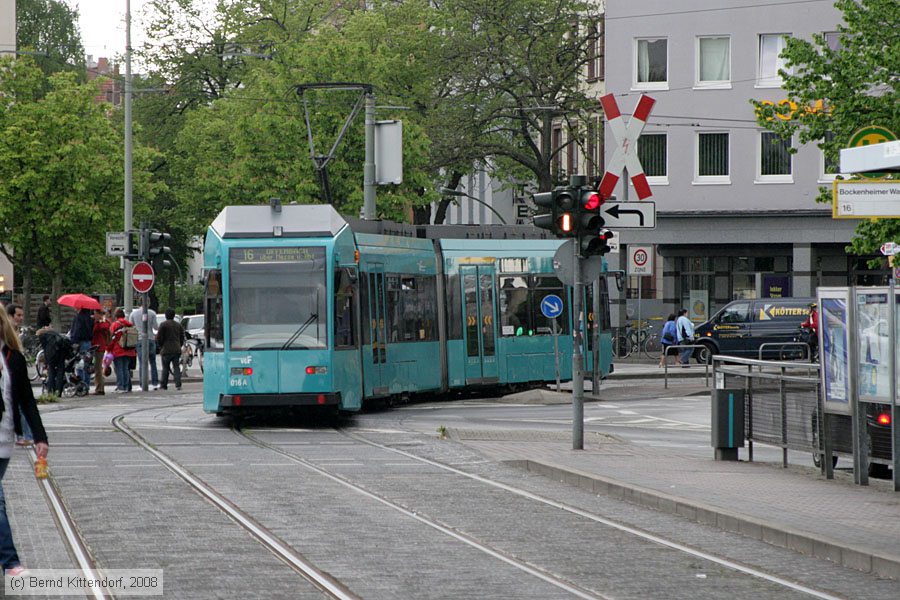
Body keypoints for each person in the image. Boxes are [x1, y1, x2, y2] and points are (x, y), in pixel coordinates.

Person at [0, 308, 50, 576]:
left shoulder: (13, 358)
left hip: (4, 438)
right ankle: (10, 562)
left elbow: (27, 401)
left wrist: (40, 437)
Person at [129, 307, 159, 390]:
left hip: (139, 339)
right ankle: (155, 383)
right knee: (153, 362)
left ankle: (142, 384)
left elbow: (131, 326)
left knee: (142, 362)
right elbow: (155, 327)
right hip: (151, 339)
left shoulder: (133, 314)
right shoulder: (152, 313)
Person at [155, 309, 185, 391]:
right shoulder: (178, 325)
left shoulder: (163, 325)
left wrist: (160, 346)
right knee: (176, 367)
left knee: (165, 367)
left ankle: (164, 384)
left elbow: (159, 337)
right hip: (176, 349)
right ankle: (178, 384)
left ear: (166, 315)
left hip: (166, 349)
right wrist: (179, 345)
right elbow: (182, 337)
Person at [36, 326, 70, 396]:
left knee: (51, 373)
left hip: (50, 357)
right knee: (60, 373)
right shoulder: (55, 334)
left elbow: (45, 349)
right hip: (60, 355)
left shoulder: (43, 337)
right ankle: (58, 392)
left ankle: (50, 391)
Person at [109, 309, 137, 393]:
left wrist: (109, 349)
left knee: (119, 369)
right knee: (125, 369)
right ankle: (126, 386)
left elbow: (112, 338)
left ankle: (120, 386)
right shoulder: (129, 325)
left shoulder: (114, 325)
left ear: (116, 316)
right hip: (129, 350)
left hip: (118, 350)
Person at [68, 308, 93, 387]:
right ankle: (87, 385)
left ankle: (81, 385)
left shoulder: (78, 317)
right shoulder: (89, 318)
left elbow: (77, 331)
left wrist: (73, 341)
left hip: (81, 343)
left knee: (79, 364)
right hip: (88, 342)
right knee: (87, 364)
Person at [91, 310, 111, 395]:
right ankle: (99, 387)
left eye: (95, 314)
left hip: (99, 347)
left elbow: (96, 329)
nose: (94, 315)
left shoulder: (102, 323)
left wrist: (97, 321)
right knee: (97, 368)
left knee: (98, 368)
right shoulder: (101, 322)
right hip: (97, 347)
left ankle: (99, 388)